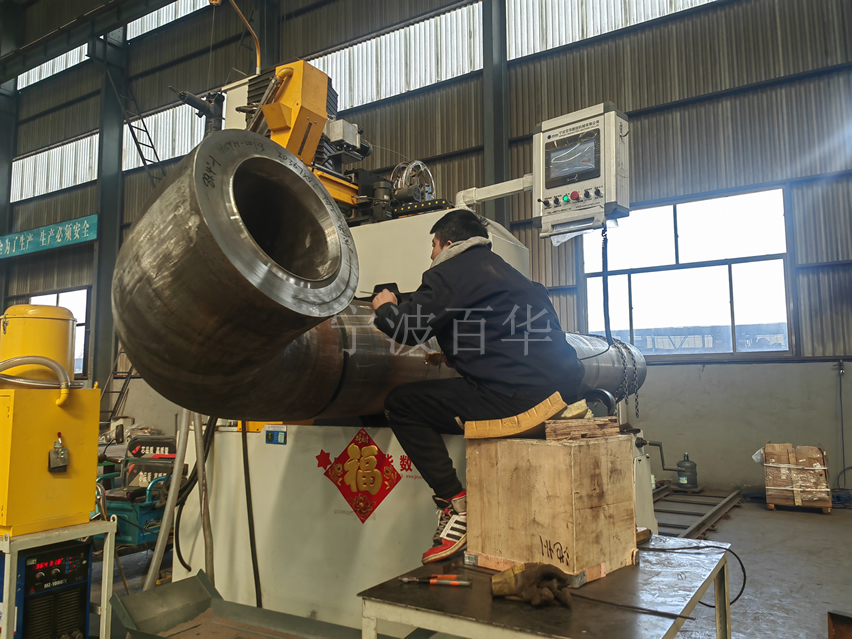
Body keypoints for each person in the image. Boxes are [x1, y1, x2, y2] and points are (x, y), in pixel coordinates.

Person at [371, 209, 585, 564]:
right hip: (564, 391)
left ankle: (456, 505)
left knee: (401, 404)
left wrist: (386, 308)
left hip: (518, 399)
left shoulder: (450, 272)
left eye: (433, 246)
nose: (431, 255)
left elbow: (407, 329)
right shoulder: (508, 274)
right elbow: (500, 337)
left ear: (448, 243)